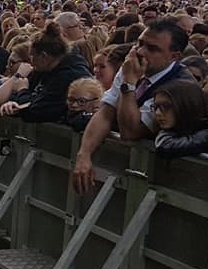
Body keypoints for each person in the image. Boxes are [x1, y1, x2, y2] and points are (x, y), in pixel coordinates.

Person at [72, 19, 192, 193]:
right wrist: (84, 154)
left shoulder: (180, 85)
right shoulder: (132, 67)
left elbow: (130, 131)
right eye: (140, 43)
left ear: (175, 56)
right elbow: (105, 112)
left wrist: (129, 83)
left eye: (152, 49)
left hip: (163, 181)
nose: (140, 52)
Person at [0, 23, 93, 123]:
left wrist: (22, 90)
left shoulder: (69, 76)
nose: (31, 61)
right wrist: (12, 103)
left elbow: (36, 112)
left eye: (33, 56)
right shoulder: (44, 69)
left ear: (43, 56)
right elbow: (28, 97)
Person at [152, 80, 208, 158]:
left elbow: (166, 145)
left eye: (166, 106)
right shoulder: (172, 129)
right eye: (156, 107)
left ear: (186, 106)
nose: (157, 112)